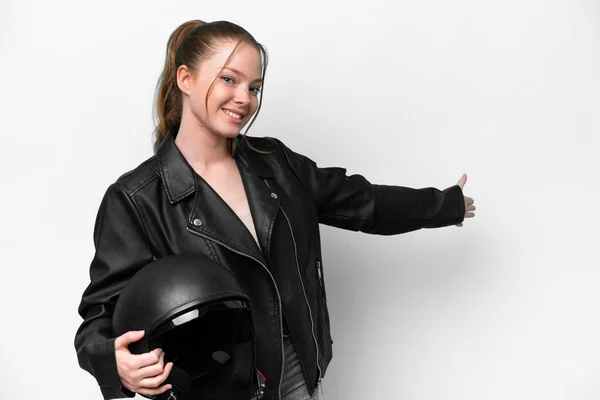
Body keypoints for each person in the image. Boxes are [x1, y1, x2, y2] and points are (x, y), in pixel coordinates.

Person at [74, 19, 476, 400]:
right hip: (215, 389)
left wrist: (445, 205)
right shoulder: (137, 198)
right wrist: (115, 363)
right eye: (228, 80)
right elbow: (99, 317)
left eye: (254, 87)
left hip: (300, 374)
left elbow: (362, 201)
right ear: (185, 79)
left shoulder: (276, 164)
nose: (244, 99)